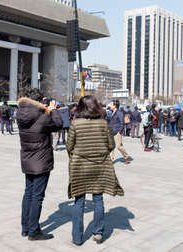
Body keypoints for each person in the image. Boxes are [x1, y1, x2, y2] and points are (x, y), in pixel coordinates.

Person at [66, 96, 124, 246]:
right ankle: (98, 232)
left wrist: (78, 154)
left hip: (80, 166)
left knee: (79, 201)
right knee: (98, 199)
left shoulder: (75, 124)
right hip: (100, 166)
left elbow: (69, 146)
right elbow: (111, 145)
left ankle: (77, 237)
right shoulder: (103, 124)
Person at [17, 88, 62, 241]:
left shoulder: (20, 113)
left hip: (27, 157)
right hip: (41, 159)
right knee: (37, 196)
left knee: (28, 193)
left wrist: (46, 110)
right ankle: (34, 231)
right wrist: (53, 110)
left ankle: (25, 227)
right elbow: (58, 124)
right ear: (40, 101)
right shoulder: (42, 116)